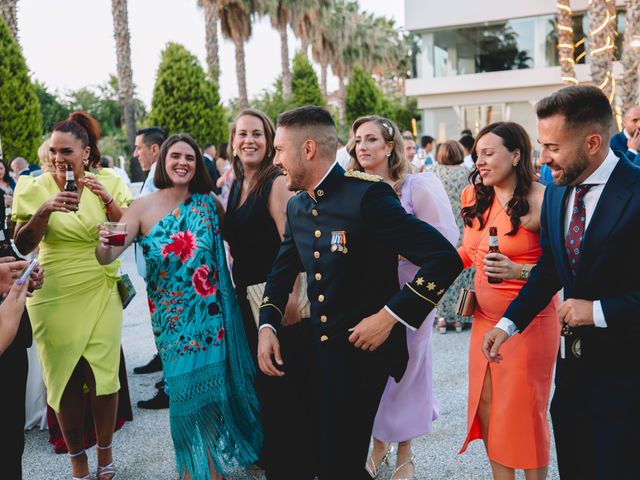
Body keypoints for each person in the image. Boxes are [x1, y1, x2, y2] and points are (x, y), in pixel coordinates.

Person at [257, 106, 462, 479]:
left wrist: (389, 317)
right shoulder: (299, 206)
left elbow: (444, 259)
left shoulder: (368, 197)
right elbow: (280, 273)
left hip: (360, 358)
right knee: (318, 457)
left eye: (279, 149)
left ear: (307, 150)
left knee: (340, 462)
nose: (275, 160)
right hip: (315, 355)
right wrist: (266, 326)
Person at [484, 85, 640, 480]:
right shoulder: (554, 193)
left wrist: (599, 311)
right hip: (572, 375)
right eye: (541, 145)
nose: (542, 158)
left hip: (628, 377)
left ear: (592, 142)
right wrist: (508, 324)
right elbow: (551, 269)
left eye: (553, 147)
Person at [95, 133, 262, 480]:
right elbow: (108, 254)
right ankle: (191, 468)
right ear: (163, 162)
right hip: (172, 323)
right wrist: (102, 243)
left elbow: (241, 237)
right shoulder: (140, 208)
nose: (183, 162)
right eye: (176, 156)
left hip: (211, 318)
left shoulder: (207, 202)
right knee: (184, 398)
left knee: (214, 392)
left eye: (190, 157)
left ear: (197, 164)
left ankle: (213, 468)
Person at [12, 111, 133, 480]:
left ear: (85, 152)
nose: (58, 158)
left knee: (104, 374)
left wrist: (109, 201)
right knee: (62, 376)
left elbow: (128, 230)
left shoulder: (108, 180)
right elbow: (21, 245)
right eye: (53, 150)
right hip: (54, 290)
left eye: (67, 151)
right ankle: (77, 458)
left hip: (99, 283)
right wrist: (44, 212)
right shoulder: (32, 188)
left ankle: (105, 452)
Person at [348, 116, 459, 480]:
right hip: (368, 289)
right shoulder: (350, 188)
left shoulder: (416, 186)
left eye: (370, 139)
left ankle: (402, 453)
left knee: (409, 369)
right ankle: (379, 444)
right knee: (375, 369)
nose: (361, 146)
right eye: (357, 140)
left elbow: (444, 240)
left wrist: (400, 251)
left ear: (389, 145)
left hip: (412, 287)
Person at [456, 121, 560, 480]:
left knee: (523, 412)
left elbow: (558, 269)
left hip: (530, 323)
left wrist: (519, 272)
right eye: (477, 155)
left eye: (488, 153)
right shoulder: (474, 197)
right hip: (484, 320)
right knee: (487, 408)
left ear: (516, 155)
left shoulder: (543, 199)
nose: (480, 162)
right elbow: (467, 253)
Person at [223, 109, 315, 479]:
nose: (249, 140)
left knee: (283, 383)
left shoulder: (275, 182)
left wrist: (289, 297)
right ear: (233, 141)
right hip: (247, 298)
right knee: (267, 383)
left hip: (274, 298)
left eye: (258, 134)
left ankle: (295, 465)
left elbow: (290, 242)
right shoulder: (235, 184)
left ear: (269, 140)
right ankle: (279, 457)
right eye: (242, 133)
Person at [132, 127, 170, 409]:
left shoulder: (159, 176)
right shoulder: (154, 174)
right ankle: (165, 372)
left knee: (167, 323)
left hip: (162, 267)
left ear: (154, 149)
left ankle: (169, 386)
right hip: (155, 267)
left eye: (139, 147)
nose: (136, 153)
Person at [431, 140, 475, 333]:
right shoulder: (468, 173)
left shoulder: (432, 172)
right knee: (463, 274)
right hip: (465, 229)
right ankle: (461, 317)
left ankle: (441, 317)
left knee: (441, 272)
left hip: (439, 231)